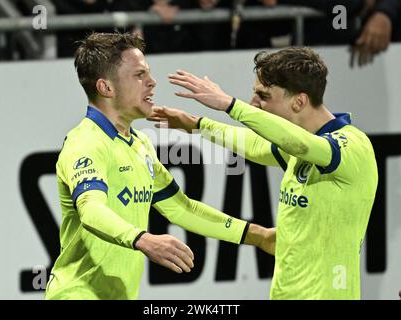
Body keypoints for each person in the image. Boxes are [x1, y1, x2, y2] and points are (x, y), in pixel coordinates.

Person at [44, 31, 273, 300]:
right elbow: (91, 210)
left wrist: (259, 236)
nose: (152, 82)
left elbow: (181, 208)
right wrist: (144, 239)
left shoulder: (138, 144)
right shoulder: (86, 143)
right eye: (139, 75)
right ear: (106, 87)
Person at [148, 47, 378, 299]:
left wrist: (230, 106)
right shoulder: (300, 151)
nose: (253, 103)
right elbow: (257, 145)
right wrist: (197, 125)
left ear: (299, 102)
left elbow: (301, 144)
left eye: (263, 96)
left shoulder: (352, 146)